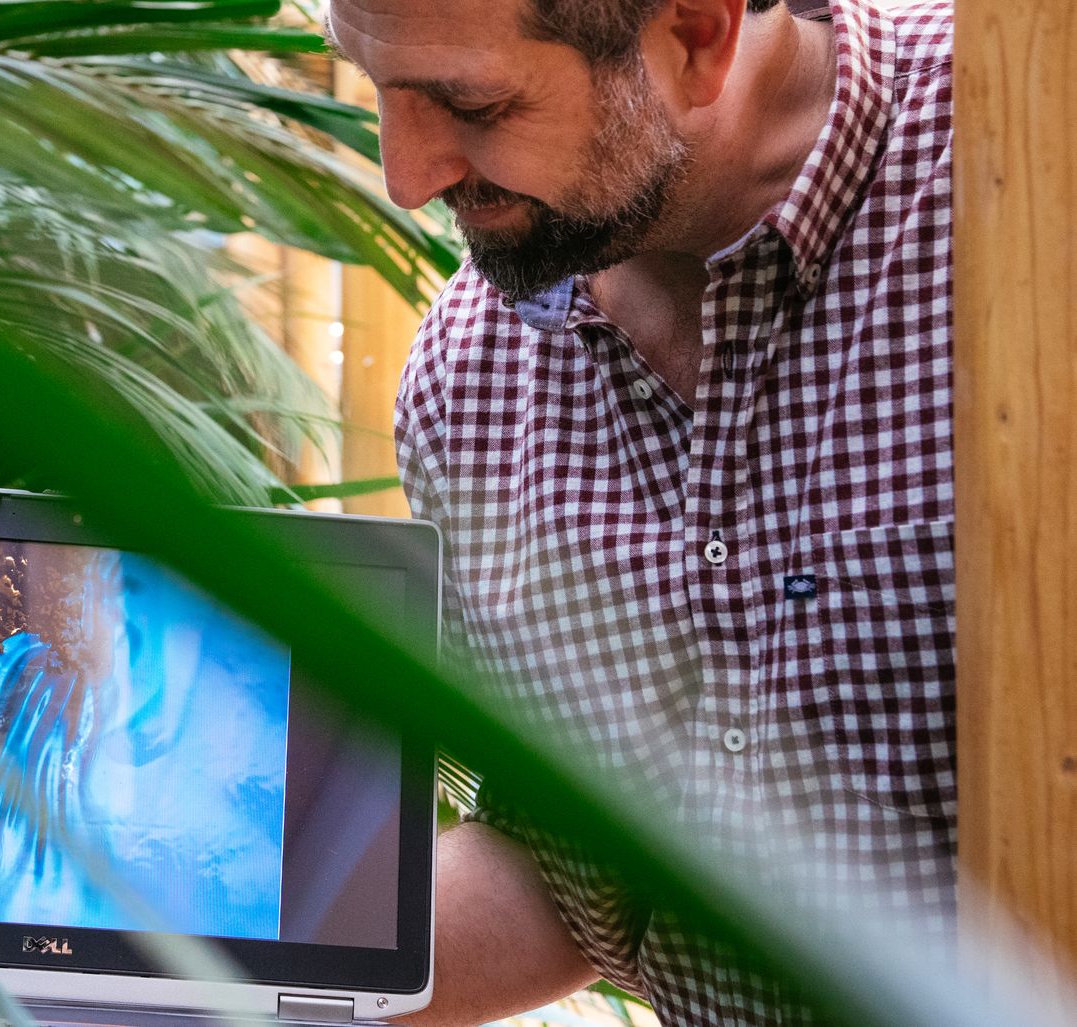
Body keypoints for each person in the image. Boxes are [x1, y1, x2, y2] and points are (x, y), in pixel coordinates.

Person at [325, 0, 956, 1022]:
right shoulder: (464, 383)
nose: (406, 176)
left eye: (469, 101)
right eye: (375, 83)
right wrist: (210, 969)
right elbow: (585, 876)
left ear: (696, 34)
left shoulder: (1020, 162)